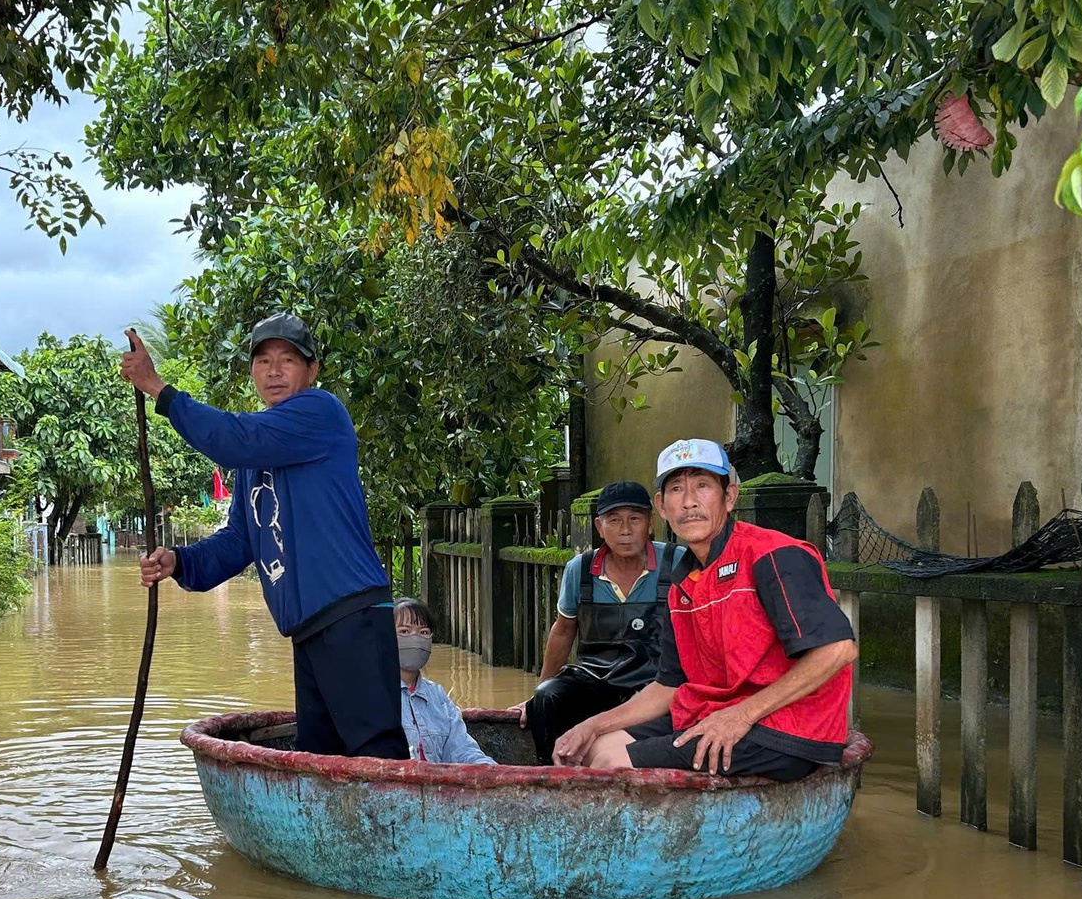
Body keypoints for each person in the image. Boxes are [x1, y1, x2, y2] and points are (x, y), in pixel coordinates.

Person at [122, 314, 410, 760]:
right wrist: (179, 561)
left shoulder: (320, 413)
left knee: (377, 757)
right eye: (263, 361)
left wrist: (159, 389)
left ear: (311, 371)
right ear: (252, 372)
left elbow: (231, 438)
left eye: (288, 360)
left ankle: (400, 831)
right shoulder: (254, 457)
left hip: (352, 617)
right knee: (320, 760)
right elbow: (240, 540)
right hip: (308, 629)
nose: (274, 371)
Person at [553, 438, 858, 779]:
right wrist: (592, 726)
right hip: (720, 711)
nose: (689, 502)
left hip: (786, 731)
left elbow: (837, 650)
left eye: (702, 486)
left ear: (729, 497)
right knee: (599, 746)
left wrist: (740, 716)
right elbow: (669, 686)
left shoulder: (772, 555)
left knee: (612, 763)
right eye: (676, 489)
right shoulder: (683, 582)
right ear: (662, 507)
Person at [520, 480, 685, 765]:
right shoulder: (580, 569)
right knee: (546, 697)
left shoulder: (679, 562)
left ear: (650, 523)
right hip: (596, 677)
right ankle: (552, 775)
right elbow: (563, 630)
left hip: (656, 679)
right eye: (614, 520)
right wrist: (540, 689)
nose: (625, 530)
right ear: (599, 527)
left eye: (634, 519)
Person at [394, 598, 496, 766]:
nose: (416, 639)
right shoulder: (376, 695)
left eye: (424, 632)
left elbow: (461, 749)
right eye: (405, 631)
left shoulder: (437, 696)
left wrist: (491, 770)